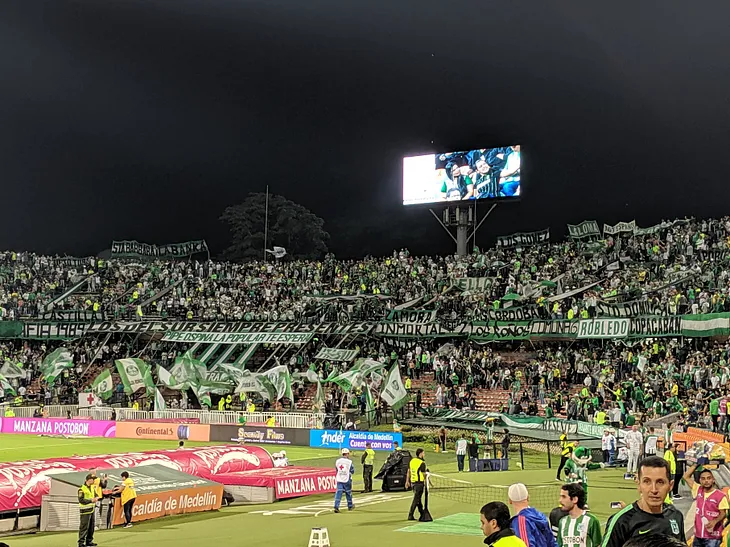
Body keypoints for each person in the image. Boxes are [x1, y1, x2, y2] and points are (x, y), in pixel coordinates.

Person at [601, 456, 685, 547]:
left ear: (670, 485)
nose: (654, 490)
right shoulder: (622, 521)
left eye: (660, 482)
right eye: (647, 482)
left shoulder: (676, 516)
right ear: (639, 485)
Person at [682, 463, 728, 547]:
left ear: (713, 480)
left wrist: (715, 521)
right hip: (698, 536)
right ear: (700, 480)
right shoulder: (698, 490)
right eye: (703, 479)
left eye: (709, 478)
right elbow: (686, 477)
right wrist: (696, 463)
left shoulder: (720, 496)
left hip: (713, 538)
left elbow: (723, 513)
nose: (706, 481)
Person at [508, 483, 557, 547]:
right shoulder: (540, 516)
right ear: (528, 497)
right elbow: (552, 542)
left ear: (510, 501)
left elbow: (525, 545)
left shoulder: (520, 521)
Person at [556, 483, 602, 547]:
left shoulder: (591, 521)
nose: (560, 500)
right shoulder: (562, 521)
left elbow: (598, 545)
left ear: (575, 499)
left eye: (564, 497)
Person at [406, 448, 427, 521]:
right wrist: (427, 482)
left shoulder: (412, 461)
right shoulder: (422, 463)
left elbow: (409, 471)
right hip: (419, 483)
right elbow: (424, 474)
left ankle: (422, 513)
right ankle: (410, 514)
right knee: (416, 499)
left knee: (418, 499)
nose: (424, 454)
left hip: (413, 482)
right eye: (423, 453)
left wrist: (407, 481)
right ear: (420, 454)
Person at [78, 473, 98, 547]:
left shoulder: (92, 488)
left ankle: (89, 541)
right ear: (89, 480)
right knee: (84, 527)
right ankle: (81, 543)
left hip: (91, 510)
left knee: (91, 527)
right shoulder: (81, 489)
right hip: (85, 511)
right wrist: (91, 500)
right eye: (93, 479)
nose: (94, 481)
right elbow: (81, 500)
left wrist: (96, 497)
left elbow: (95, 495)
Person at [333, 448, 354, 513]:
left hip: (339, 478)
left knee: (338, 493)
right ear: (347, 454)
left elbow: (336, 469)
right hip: (347, 479)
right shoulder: (349, 462)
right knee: (348, 493)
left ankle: (336, 506)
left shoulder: (337, 461)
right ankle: (350, 506)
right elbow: (352, 471)